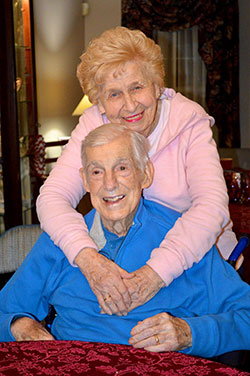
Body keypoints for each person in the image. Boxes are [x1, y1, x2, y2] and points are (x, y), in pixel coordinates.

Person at [1, 124, 249, 360]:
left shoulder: (185, 239)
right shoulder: (60, 240)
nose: (109, 184)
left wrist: (188, 333)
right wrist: (19, 325)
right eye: (97, 172)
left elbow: (246, 318)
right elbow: (5, 310)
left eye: (122, 168)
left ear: (146, 174)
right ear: (85, 180)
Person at [36, 26, 238, 317]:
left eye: (137, 88)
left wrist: (154, 274)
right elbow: (52, 197)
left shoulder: (189, 122)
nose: (129, 105)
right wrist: (89, 259)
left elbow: (211, 208)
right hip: (125, 264)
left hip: (198, 268)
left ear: (157, 86)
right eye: (114, 94)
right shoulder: (95, 123)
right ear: (100, 102)